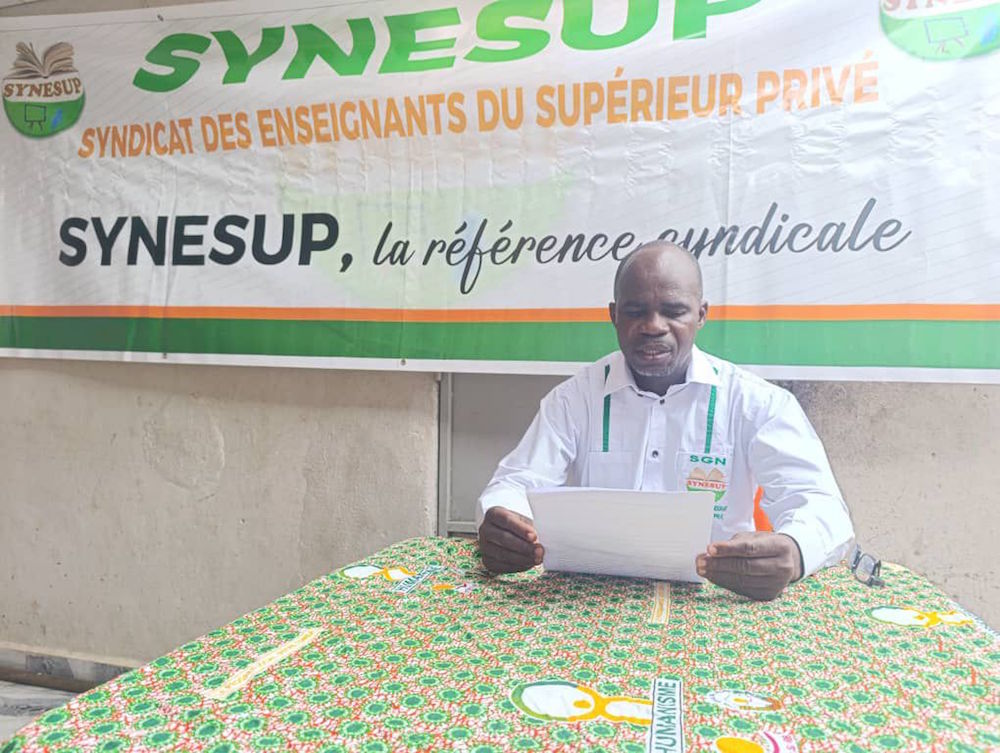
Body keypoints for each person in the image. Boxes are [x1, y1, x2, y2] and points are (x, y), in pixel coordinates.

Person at [477, 241, 854, 601]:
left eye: (673, 311)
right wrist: (507, 525)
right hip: (590, 602)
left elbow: (821, 505)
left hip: (717, 603)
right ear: (613, 315)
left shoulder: (756, 403)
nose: (653, 326)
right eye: (635, 311)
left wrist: (795, 550)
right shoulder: (576, 399)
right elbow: (515, 483)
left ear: (701, 315)